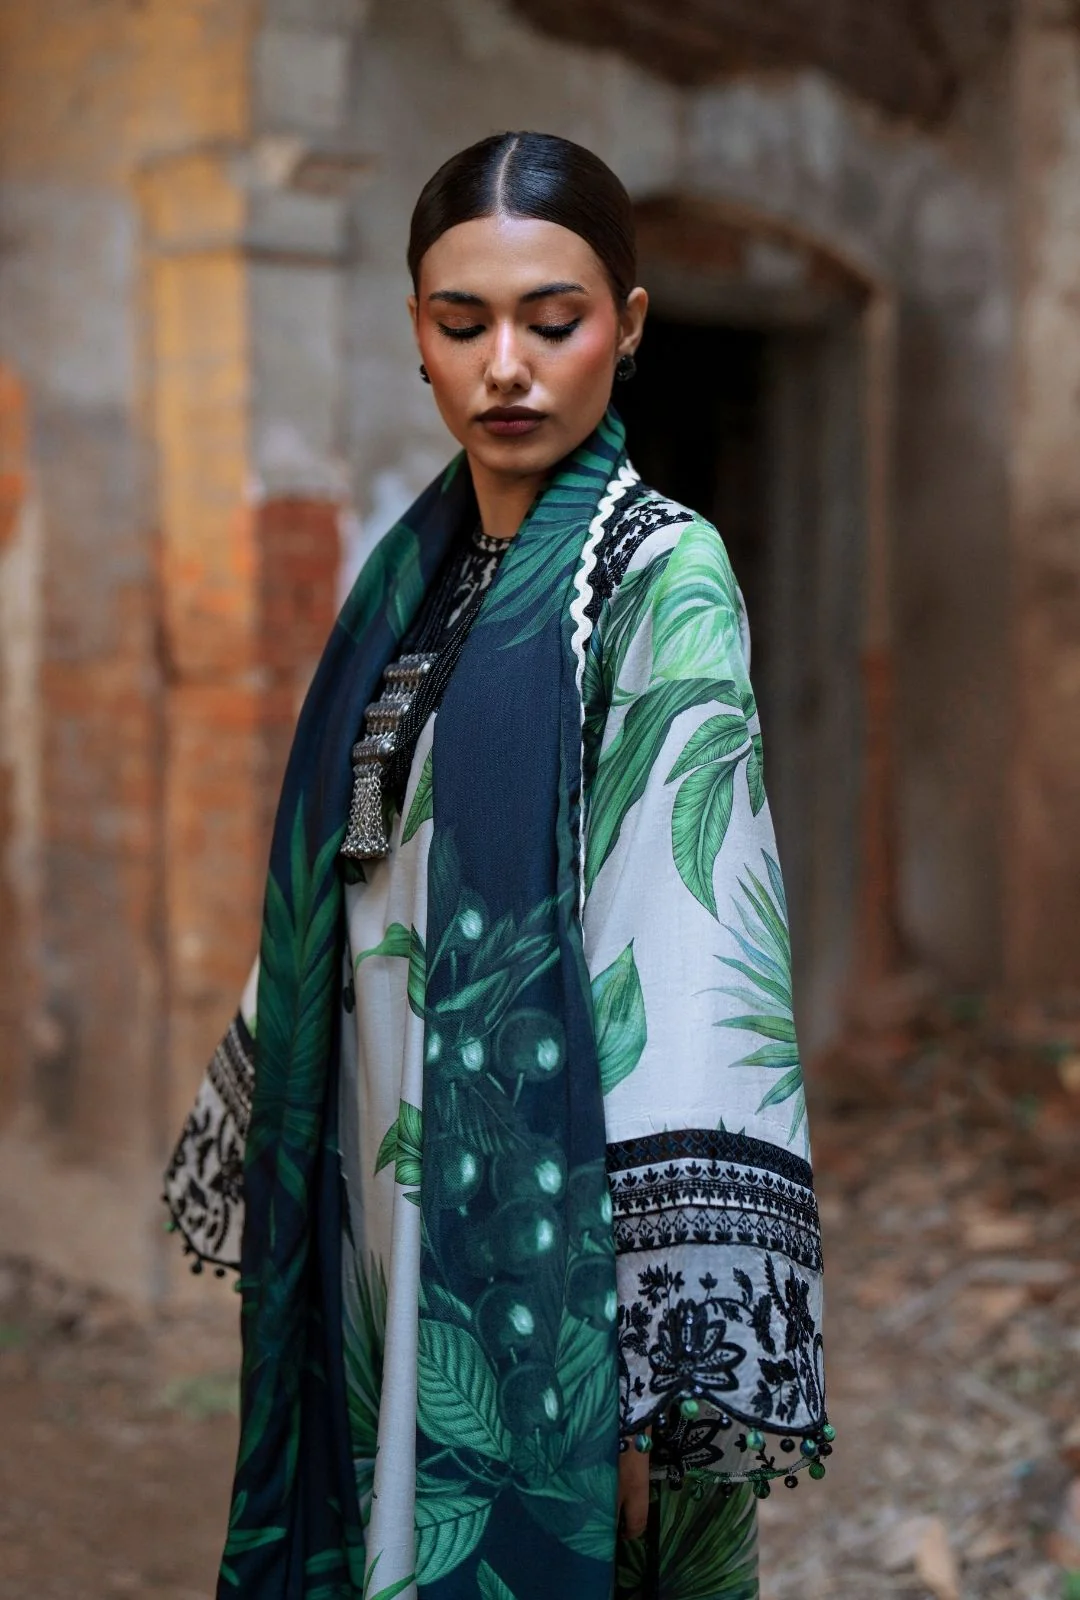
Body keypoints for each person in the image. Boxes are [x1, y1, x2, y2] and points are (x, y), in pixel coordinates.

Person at [165, 130, 831, 1600]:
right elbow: (349, 889)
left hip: (549, 1224)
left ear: (630, 326)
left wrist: (648, 1358)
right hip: (385, 1173)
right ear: (416, 332)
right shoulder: (412, 577)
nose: (507, 367)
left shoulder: (661, 575)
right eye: (463, 324)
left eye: (555, 319)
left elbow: (684, 943)